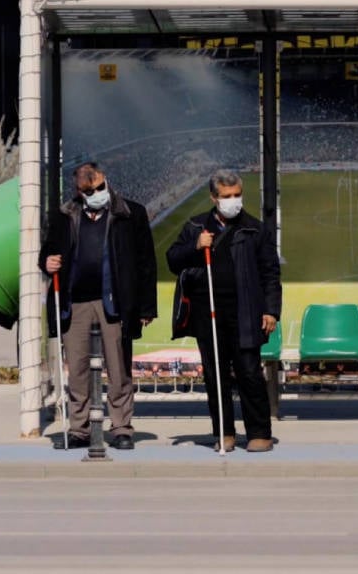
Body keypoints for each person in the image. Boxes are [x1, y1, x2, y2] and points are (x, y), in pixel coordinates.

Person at [39, 162, 157, 451]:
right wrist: (46, 262)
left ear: (106, 180)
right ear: (79, 191)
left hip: (115, 303)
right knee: (76, 367)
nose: (94, 194)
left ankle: (121, 427)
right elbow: (48, 252)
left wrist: (146, 307)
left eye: (97, 188)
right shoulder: (64, 215)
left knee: (118, 367)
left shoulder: (130, 214)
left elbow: (146, 262)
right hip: (75, 302)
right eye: (87, 191)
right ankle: (79, 429)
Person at [166, 169, 282, 453]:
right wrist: (196, 247)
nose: (234, 201)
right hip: (208, 313)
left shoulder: (255, 229)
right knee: (215, 374)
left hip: (246, 312)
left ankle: (259, 433)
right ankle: (224, 432)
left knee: (249, 373)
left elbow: (270, 273)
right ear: (214, 197)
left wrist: (271, 311)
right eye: (227, 196)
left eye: (237, 195)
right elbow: (172, 260)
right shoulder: (195, 227)